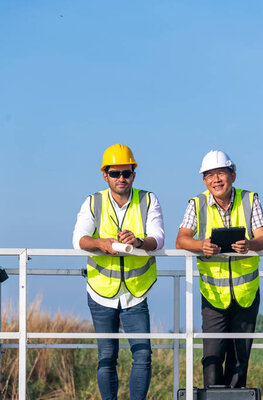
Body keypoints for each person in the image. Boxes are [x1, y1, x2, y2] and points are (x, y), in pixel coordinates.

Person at [72, 144, 165, 400]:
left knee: (143, 354)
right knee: (106, 356)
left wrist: (137, 242)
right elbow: (78, 240)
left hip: (137, 291)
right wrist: (101, 243)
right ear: (105, 175)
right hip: (101, 290)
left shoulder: (148, 199)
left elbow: (158, 238)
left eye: (126, 173)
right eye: (115, 174)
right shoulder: (93, 201)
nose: (121, 178)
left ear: (134, 173)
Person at [176, 150, 263, 388]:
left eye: (221, 173)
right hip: (213, 295)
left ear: (233, 175)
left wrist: (249, 244)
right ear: (204, 181)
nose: (216, 179)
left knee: (240, 359)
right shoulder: (196, 204)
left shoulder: (250, 199)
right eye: (210, 175)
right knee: (212, 357)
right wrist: (201, 245)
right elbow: (181, 240)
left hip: (246, 294)